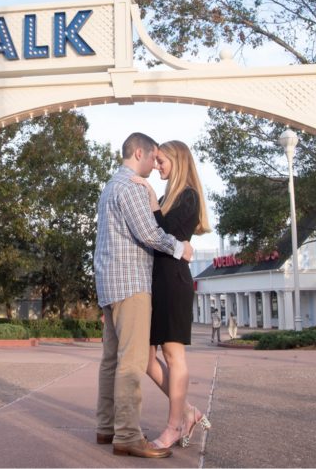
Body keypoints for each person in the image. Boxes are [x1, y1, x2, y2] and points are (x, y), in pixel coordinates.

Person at [94, 133, 187, 459]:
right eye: (152, 157)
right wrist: (181, 248)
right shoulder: (131, 186)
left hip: (107, 285)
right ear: (138, 152)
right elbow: (149, 233)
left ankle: (107, 427)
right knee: (131, 362)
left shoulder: (108, 188)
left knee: (110, 360)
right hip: (131, 285)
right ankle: (128, 435)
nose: (154, 163)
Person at [131, 140, 212, 449]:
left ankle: (174, 426)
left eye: (162, 161)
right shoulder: (168, 196)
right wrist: (156, 198)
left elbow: (163, 232)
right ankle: (188, 411)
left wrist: (150, 196)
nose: (157, 166)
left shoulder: (188, 197)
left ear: (177, 161)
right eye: (156, 161)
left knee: (173, 355)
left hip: (174, 283)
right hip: (156, 283)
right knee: (146, 357)